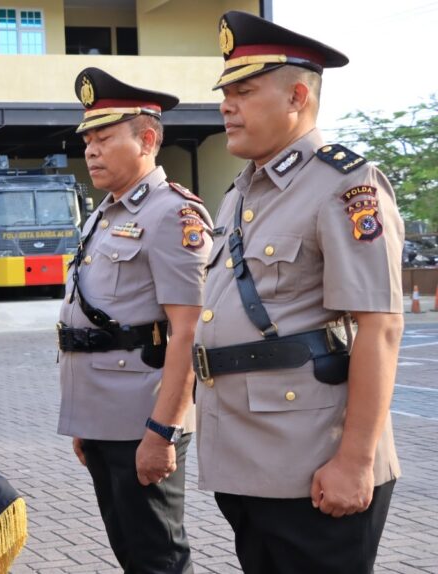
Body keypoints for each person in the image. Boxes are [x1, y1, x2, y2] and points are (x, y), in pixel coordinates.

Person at [193, 11, 403, 573]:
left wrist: (355, 462)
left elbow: (380, 328)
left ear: (297, 97)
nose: (226, 105)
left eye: (244, 90)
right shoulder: (238, 195)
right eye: (225, 92)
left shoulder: (344, 184)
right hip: (249, 459)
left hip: (316, 460)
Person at [57, 68, 212, 573]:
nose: (91, 150)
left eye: (104, 138)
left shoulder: (172, 214)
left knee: (157, 557)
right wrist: (85, 421)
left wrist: (162, 430)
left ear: (147, 140)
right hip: (104, 417)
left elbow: (189, 330)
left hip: (144, 419)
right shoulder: (105, 214)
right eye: (87, 140)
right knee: (131, 552)